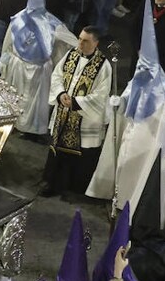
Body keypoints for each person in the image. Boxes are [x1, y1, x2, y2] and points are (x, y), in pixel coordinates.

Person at [39, 27, 113, 197]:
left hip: (84, 118)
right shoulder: (71, 54)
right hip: (64, 112)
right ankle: (53, 183)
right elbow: (57, 75)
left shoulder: (103, 66)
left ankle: (75, 188)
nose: (80, 42)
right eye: (80, 38)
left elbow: (101, 95)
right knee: (58, 149)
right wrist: (60, 94)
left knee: (82, 154)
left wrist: (76, 102)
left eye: (85, 40)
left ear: (96, 43)